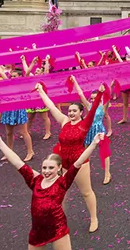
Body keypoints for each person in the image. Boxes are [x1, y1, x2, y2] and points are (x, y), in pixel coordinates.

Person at [35, 79, 104, 233]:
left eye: (75, 111)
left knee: (86, 192)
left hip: (79, 161)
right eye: (70, 110)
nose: (71, 113)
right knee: (60, 193)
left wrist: (99, 93)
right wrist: (40, 91)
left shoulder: (85, 123)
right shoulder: (64, 121)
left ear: (81, 112)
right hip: (63, 163)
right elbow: (51, 106)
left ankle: (94, 218)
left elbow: (93, 110)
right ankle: (59, 219)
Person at [0, 54, 35, 162]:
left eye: (16, 76)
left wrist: (31, 62)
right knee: (9, 133)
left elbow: (28, 72)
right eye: (12, 76)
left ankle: (30, 151)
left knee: (23, 132)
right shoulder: (8, 82)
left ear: (20, 76)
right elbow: (1, 72)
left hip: (19, 110)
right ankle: (9, 152)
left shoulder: (23, 83)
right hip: (8, 110)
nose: (13, 77)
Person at [71, 78, 114, 186]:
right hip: (89, 131)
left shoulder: (103, 107)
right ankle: (85, 172)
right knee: (86, 153)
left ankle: (107, 173)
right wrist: (75, 81)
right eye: (92, 98)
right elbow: (80, 94)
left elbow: (108, 97)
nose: (93, 100)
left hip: (99, 130)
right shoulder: (88, 106)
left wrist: (110, 86)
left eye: (96, 98)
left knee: (104, 152)